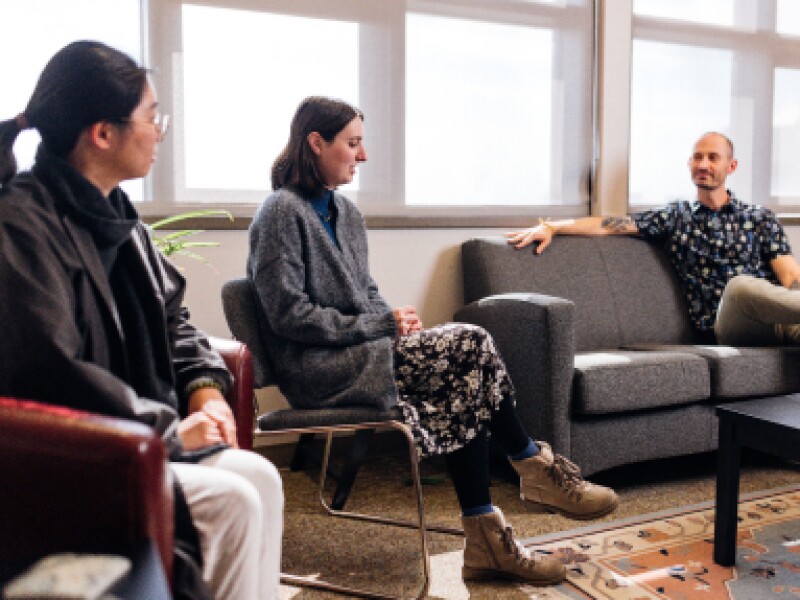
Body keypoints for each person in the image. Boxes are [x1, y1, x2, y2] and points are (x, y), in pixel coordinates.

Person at [247, 95, 619, 586]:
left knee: (464, 366)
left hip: (364, 354)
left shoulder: (346, 215)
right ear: (315, 143)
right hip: (318, 369)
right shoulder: (280, 213)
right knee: (469, 343)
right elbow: (288, 316)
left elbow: (368, 294)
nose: (362, 156)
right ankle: (531, 468)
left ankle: (489, 534)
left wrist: (394, 322)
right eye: (352, 143)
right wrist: (381, 327)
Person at [0, 41, 283, 600]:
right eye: (152, 118)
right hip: (82, 449)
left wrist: (204, 389)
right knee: (233, 500)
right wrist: (168, 431)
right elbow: (48, 367)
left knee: (261, 478)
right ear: (102, 134)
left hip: (138, 431)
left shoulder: (119, 216)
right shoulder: (20, 222)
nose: (160, 132)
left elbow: (173, 317)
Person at [507, 131, 800, 346]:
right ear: (689, 164)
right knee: (741, 287)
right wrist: (554, 227)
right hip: (731, 325)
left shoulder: (759, 217)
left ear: (730, 166)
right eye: (698, 157)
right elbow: (609, 225)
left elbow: (790, 277)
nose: (703, 164)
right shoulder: (675, 217)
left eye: (713, 157)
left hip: (777, 320)